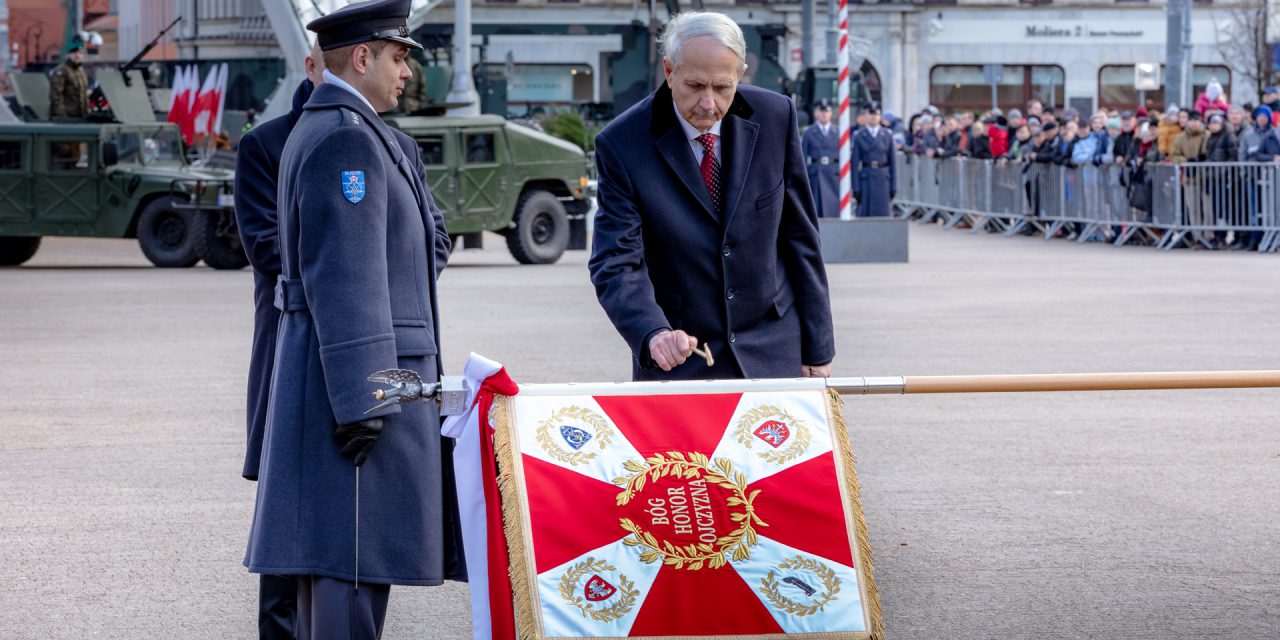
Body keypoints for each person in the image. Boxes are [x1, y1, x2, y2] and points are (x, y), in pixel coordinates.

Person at [242, 1, 458, 638]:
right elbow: (347, 278)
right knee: (348, 577)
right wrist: (369, 400)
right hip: (358, 395)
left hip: (350, 385)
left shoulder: (345, 127)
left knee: (341, 573)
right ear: (361, 58)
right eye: (398, 57)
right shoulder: (346, 137)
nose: (406, 74)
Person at [589, 11, 835, 381]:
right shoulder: (622, 144)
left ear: (741, 73)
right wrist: (653, 333)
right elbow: (616, 261)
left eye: (722, 87)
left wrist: (818, 348)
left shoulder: (775, 116)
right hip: (679, 356)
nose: (708, 103)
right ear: (669, 72)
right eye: (694, 85)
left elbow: (800, 236)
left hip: (773, 348)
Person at [233, 40, 329, 640]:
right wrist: (355, 269)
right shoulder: (266, 143)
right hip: (291, 340)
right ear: (313, 66)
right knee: (286, 508)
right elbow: (265, 246)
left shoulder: (389, 141)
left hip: (367, 342)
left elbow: (432, 238)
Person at [852, 104, 896, 216]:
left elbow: (893, 163)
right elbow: (855, 164)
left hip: (882, 177)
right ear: (866, 116)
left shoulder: (887, 135)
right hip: (866, 177)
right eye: (871, 114)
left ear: (880, 116)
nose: (873, 117)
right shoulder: (859, 136)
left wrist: (893, 185)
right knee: (866, 214)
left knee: (882, 215)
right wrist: (855, 187)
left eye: (876, 114)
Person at [801, 100, 839, 218]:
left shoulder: (838, 132)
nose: (824, 114)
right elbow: (802, 157)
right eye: (821, 111)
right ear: (815, 113)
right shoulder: (809, 132)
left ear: (831, 113)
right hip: (816, 174)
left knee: (834, 210)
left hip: (833, 173)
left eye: (827, 111)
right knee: (817, 209)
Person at [49, 39, 89, 121]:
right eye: (74, 53)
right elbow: (56, 95)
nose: (77, 56)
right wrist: (62, 115)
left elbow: (84, 93)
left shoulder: (81, 71)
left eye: (80, 53)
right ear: (68, 55)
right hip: (68, 117)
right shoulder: (61, 71)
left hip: (81, 116)